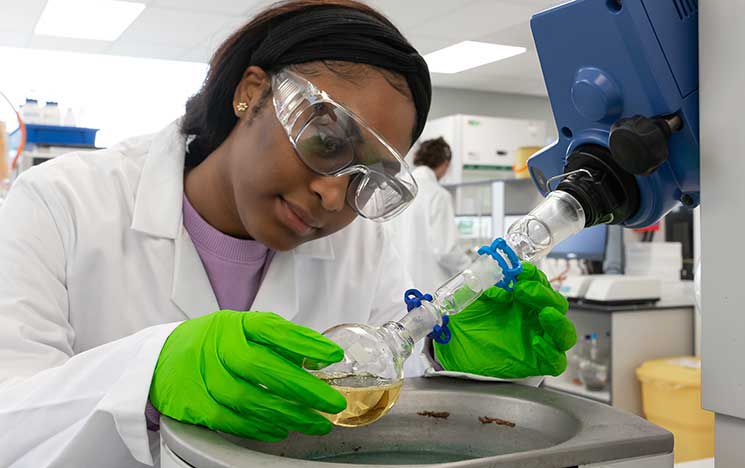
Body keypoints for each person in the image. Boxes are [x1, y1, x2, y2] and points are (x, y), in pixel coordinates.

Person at [0, 1, 575, 467]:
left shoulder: (361, 246)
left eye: (367, 180)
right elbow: (10, 420)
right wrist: (146, 374)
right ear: (251, 92)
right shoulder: (61, 204)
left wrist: (453, 356)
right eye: (326, 142)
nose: (332, 196)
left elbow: (390, 388)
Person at [392, 137, 471, 292]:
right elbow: (446, 251)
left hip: (397, 287)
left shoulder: (397, 189)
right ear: (445, 164)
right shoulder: (438, 195)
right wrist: (471, 268)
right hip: (429, 289)